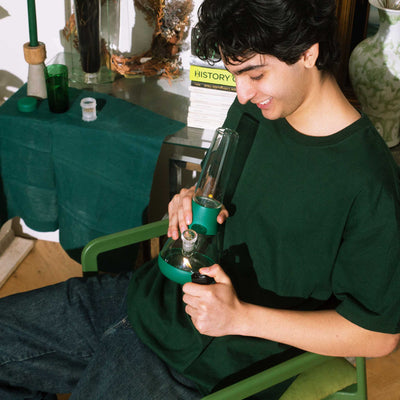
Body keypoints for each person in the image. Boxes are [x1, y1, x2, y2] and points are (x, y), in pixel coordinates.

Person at [1, 0, 399, 399]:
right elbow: (221, 192)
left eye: (255, 75)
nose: (242, 94)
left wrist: (239, 317)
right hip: (150, 297)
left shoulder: (368, 182)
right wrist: (188, 197)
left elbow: (378, 335)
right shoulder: (258, 111)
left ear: (308, 52)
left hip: (211, 358)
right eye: (235, 77)